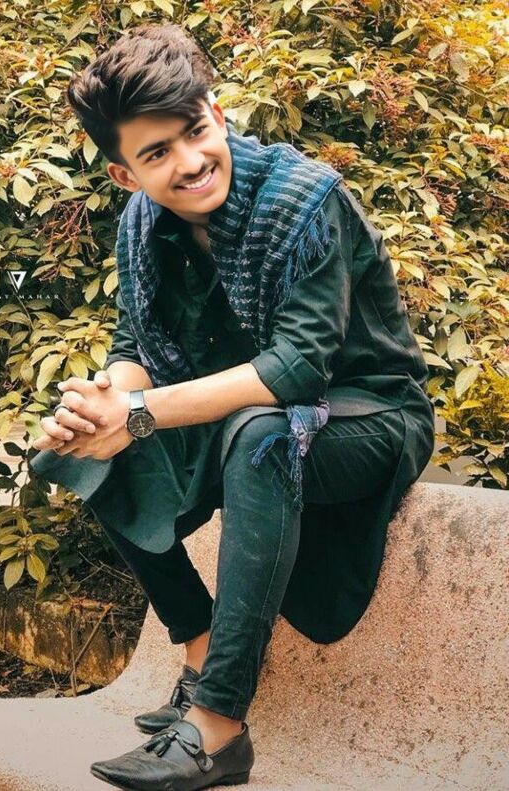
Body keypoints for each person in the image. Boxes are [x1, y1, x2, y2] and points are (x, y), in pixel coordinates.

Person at [28, 22, 435, 791]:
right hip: (255, 414)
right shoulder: (141, 223)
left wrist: (139, 412)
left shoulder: (304, 197)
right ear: (124, 174)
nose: (189, 162)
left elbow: (298, 367)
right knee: (76, 444)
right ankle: (200, 647)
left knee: (258, 429)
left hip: (372, 415)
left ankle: (218, 727)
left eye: (195, 131)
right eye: (156, 154)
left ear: (216, 113)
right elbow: (134, 340)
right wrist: (104, 401)